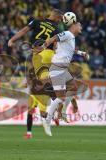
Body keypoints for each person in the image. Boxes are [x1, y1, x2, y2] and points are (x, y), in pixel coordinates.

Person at [8, 9, 66, 139]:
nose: (59, 21)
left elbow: (23, 31)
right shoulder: (57, 29)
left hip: (38, 53)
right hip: (49, 55)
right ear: (56, 17)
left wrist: (12, 39)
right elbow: (57, 45)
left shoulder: (37, 21)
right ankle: (56, 106)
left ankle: (56, 103)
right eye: (60, 19)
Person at [38, 20, 89, 136]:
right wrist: (44, 46)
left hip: (63, 70)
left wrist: (82, 53)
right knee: (60, 98)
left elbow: (71, 50)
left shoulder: (71, 37)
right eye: (79, 25)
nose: (81, 26)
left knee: (74, 88)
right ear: (73, 26)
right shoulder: (67, 34)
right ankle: (47, 121)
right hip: (57, 69)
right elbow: (54, 37)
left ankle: (63, 112)